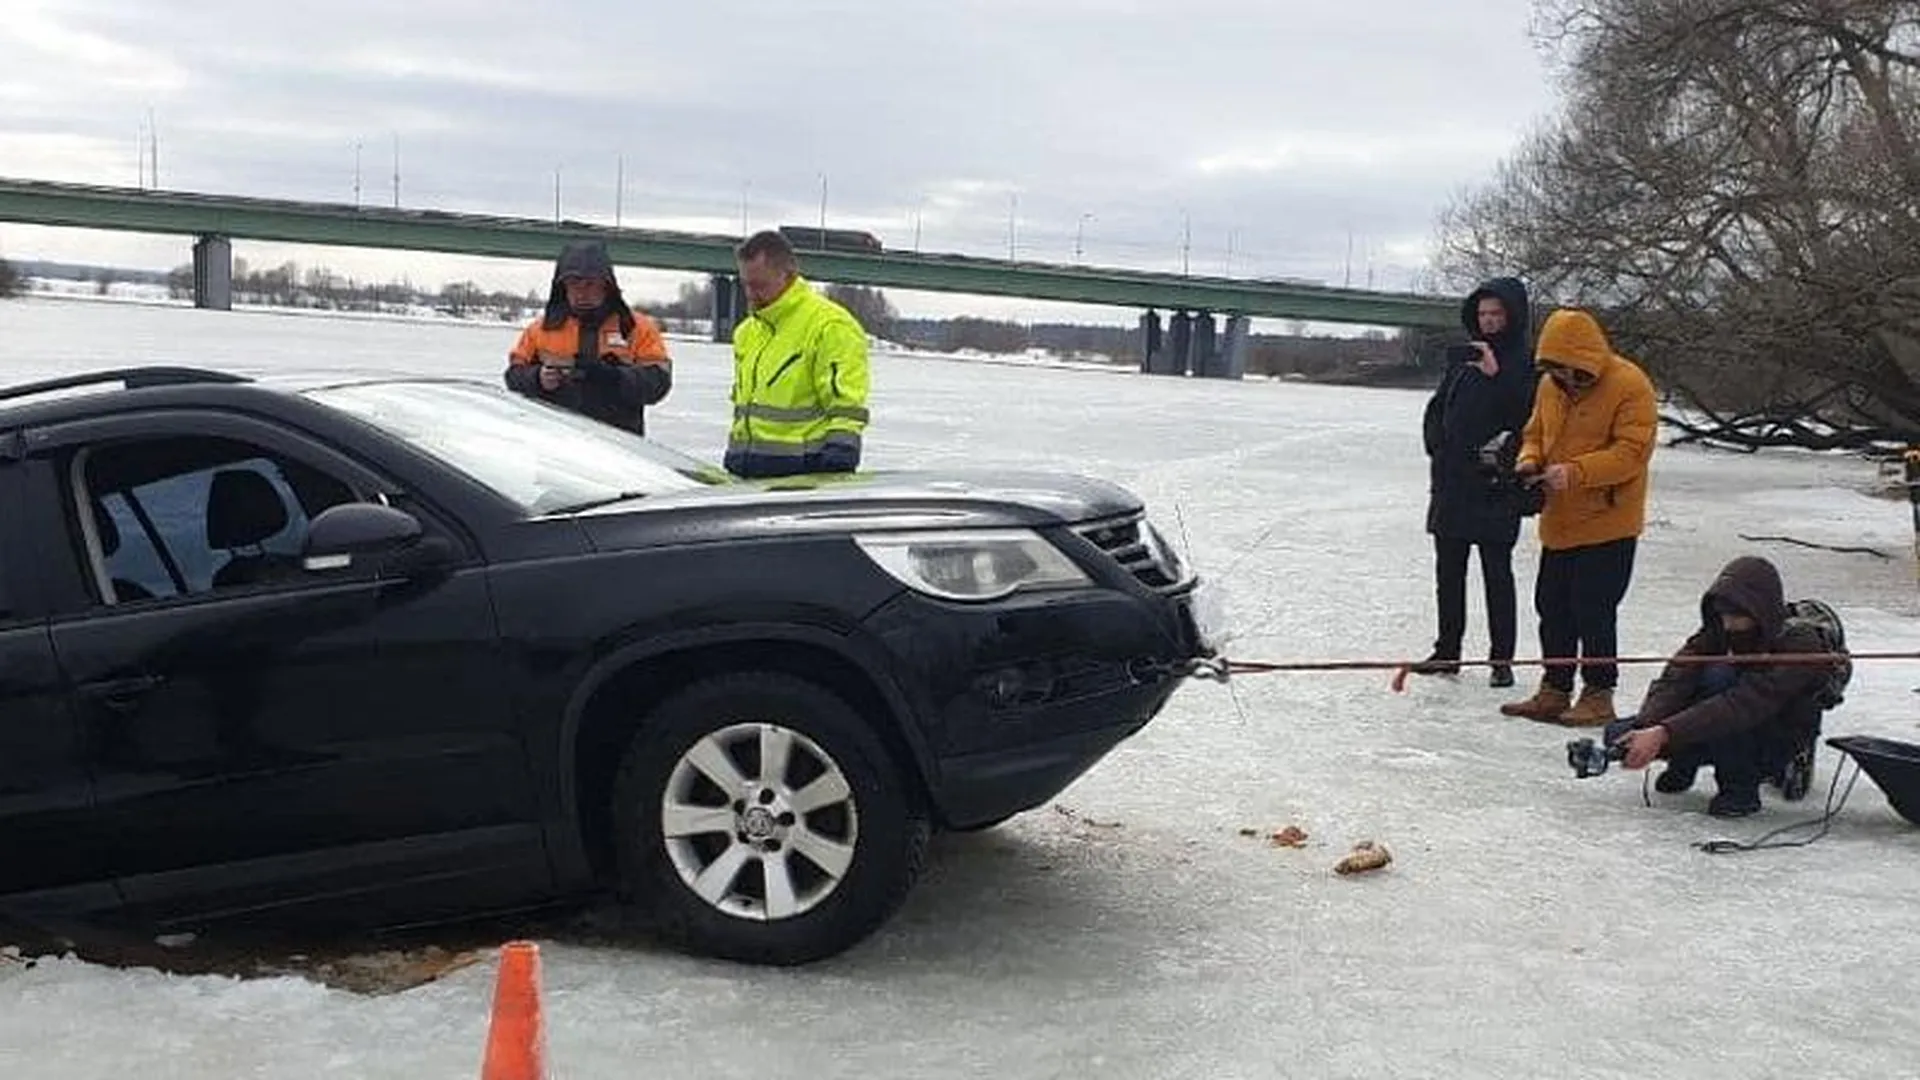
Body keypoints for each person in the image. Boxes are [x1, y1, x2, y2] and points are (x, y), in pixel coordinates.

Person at [1499, 308, 1657, 727]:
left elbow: (1632, 453)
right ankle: (1555, 687)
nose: (1567, 380)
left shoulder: (1630, 385)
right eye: (1557, 371)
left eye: (1574, 372)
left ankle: (1599, 693)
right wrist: (1529, 462)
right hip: (1560, 519)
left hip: (1609, 521)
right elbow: (1534, 432)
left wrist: (1576, 472)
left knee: (1594, 609)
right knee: (1552, 606)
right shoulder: (1548, 388)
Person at [1606, 556, 1830, 818]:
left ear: (1759, 609)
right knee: (1619, 734)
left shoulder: (1801, 644)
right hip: (1726, 720)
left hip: (1774, 731)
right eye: (1723, 615)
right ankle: (1683, 764)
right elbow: (1676, 677)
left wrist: (1665, 733)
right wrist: (1647, 727)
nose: (1727, 625)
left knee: (1720, 681)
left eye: (1736, 617)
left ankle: (1740, 787)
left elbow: (1744, 704)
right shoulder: (1718, 630)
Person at [1410, 277, 1536, 688]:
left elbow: (1525, 416)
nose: (1489, 322)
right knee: (1449, 572)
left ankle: (1501, 659)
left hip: (1495, 484)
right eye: (1482, 314)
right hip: (1452, 482)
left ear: (1512, 315)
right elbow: (1437, 407)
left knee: (1497, 572)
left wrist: (1495, 375)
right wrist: (1437, 445)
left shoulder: (1523, 363)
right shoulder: (1463, 362)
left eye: (1496, 314)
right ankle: (1448, 651)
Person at [726, 230, 871, 478]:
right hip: (745, 472)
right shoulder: (747, 332)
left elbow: (846, 406)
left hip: (802, 477)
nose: (750, 294)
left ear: (788, 275)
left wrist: (838, 460)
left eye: (759, 285)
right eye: (745, 284)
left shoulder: (829, 326)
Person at [505, 240, 672, 435]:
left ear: (606, 286)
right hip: (553, 440)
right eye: (574, 284)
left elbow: (658, 383)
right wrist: (538, 378)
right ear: (563, 286)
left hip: (619, 442)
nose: (581, 293)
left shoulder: (637, 328)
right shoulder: (540, 329)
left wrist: (613, 377)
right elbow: (514, 376)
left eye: (590, 284)